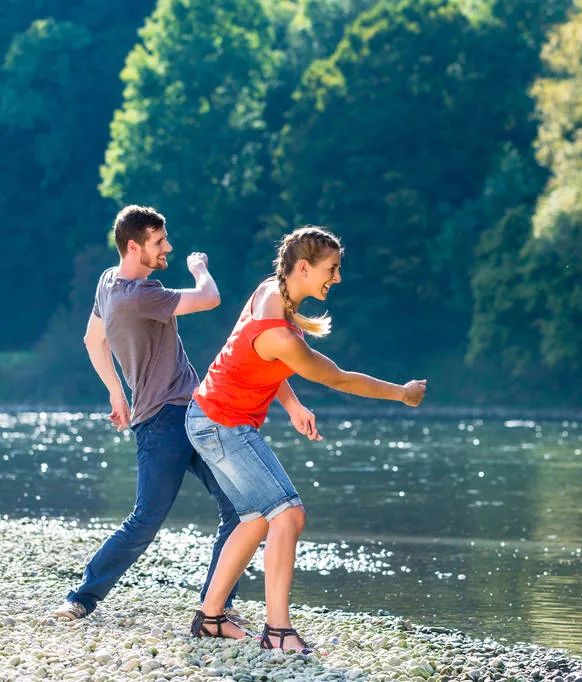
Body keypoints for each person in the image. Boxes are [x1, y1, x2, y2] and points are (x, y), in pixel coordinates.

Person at [186, 225, 426, 652]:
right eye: (331, 269)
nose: (337, 278)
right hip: (221, 422)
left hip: (210, 417)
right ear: (303, 267)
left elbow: (256, 359)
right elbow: (340, 379)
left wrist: (292, 404)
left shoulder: (271, 294)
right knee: (288, 514)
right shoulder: (280, 332)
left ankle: (210, 618)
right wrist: (401, 393)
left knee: (256, 517)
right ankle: (278, 631)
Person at [53, 205, 265, 623]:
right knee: (146, 520)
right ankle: (81, 597)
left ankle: (215, 606)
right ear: (134, 247)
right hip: (164, 421)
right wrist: (200, 267)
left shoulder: (108, 282)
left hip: (196, 412)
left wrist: (117, 394)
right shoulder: (142, 295)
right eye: (159, 242)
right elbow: (211, 298)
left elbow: (91, 340)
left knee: (239, 510)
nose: (168, 248)